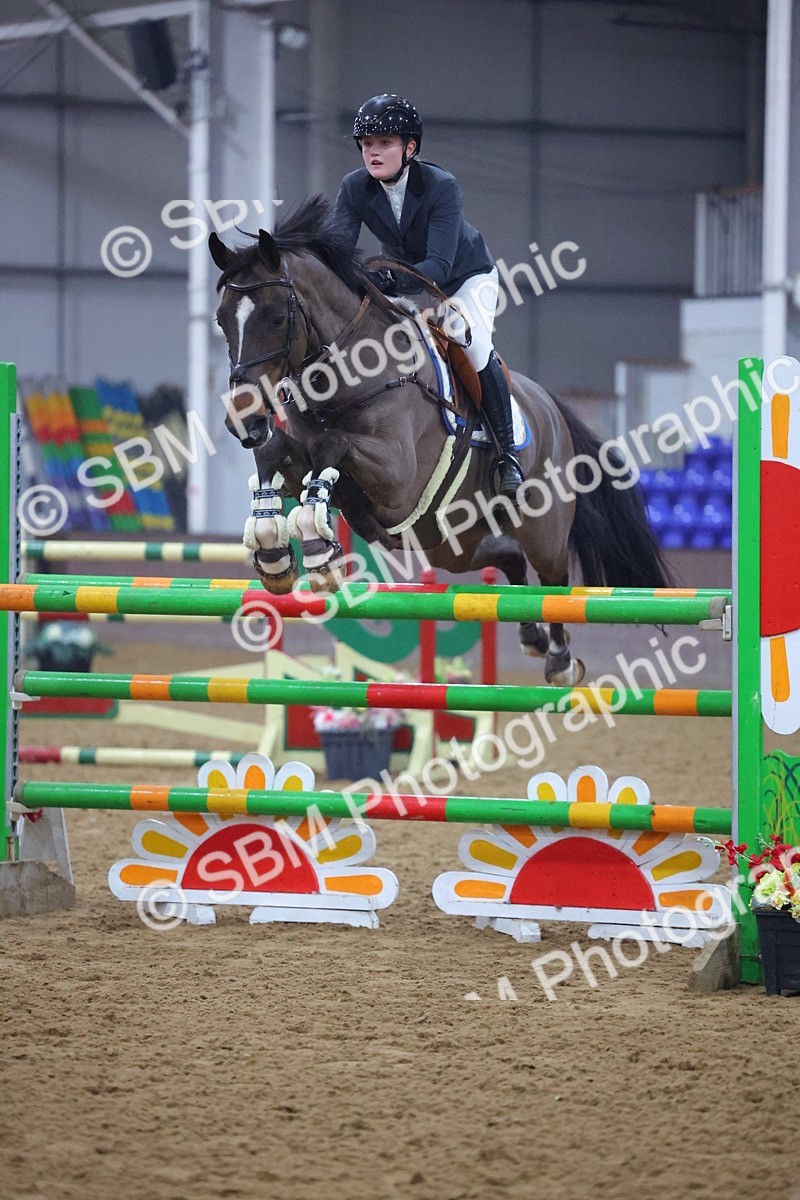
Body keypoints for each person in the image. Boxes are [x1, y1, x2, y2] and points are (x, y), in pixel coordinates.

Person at [333, 93, 524, 500]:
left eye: (384, 142)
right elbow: (337, 253)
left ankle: (508, 455)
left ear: (410, 147)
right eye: (367, 144)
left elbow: (438, 264)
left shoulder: (441, 186)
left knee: (472, 344)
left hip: (464, 278)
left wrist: (385, 280)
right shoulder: (353, 188)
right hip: (407, 279)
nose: (373, 152)